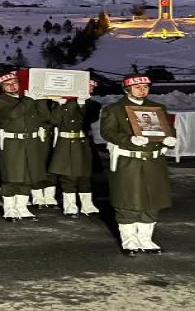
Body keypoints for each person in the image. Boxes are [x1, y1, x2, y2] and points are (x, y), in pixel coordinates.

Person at [100, 73, 176, 256]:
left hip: (153, 160)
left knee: (151, 200)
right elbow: (107, 132)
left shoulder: (157, 108)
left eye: (145, 87)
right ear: (127, 89)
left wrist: (169, 138)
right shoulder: (115, 109)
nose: (142, 90)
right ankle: (129, 242)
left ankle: (146, 240)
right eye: (137, 87)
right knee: (128, 201)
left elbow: (167, 128)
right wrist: (129, 139)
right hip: (129, 162)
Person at [0, 72, 51, 222]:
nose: (12, 86)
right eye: (7, 84)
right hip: (13, 144)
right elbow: (13, 115)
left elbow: (45, 118)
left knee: (27, 177)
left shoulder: (27, 100)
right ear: (2, 87)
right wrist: (30, 99)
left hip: (31, 142)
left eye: (15, 82)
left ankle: (22, 207)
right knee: (11, 177)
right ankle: (9, 208)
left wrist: (41, 100)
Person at [48, 80, 99, 218]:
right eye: (86, 86)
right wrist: (60, 104)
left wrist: (82, 103)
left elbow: (89, 119)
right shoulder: (64, 104)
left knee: (85, 175)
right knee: (68, 176)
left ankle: (87, 205)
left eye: (91, 87)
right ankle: (70, 206)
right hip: (66, 141)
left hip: (83, 142)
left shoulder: (93, 104)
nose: (89, 89)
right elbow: (54, 120)